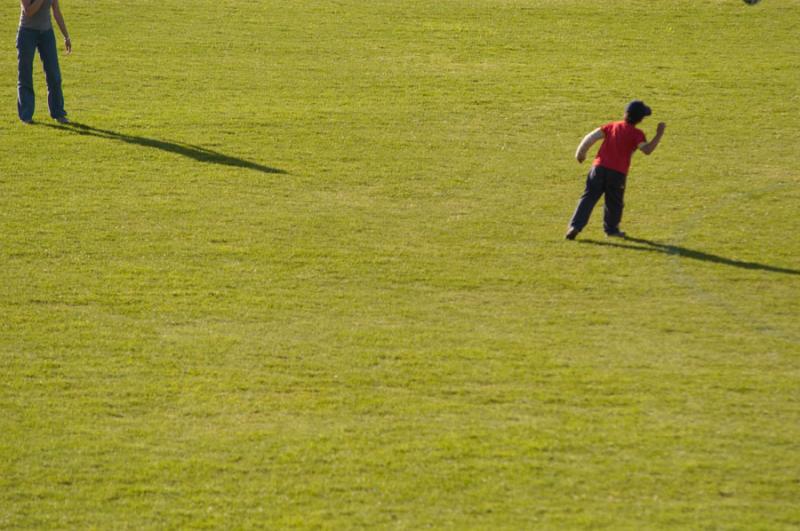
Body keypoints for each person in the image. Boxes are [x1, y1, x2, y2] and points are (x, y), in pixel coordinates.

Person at [565, 100, 665, 240]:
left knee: (588, 198)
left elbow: (591, 137)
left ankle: (575, 226)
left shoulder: (612, 126)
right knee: (614, 202)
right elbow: (647, 150)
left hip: (598, 168)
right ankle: (611, 230)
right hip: (617, 173)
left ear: (625, 113)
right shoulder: (637, 134)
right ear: (641, 119)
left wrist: (580, 153)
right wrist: (659, 134)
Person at [17, 0, 72, 124]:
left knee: (54, 75)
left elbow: (56, 11)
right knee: (25, 75)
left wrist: (66, 36)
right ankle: (26, 116)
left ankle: (58, 113)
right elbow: (28, 11)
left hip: (46, 34)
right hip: (27, 33)